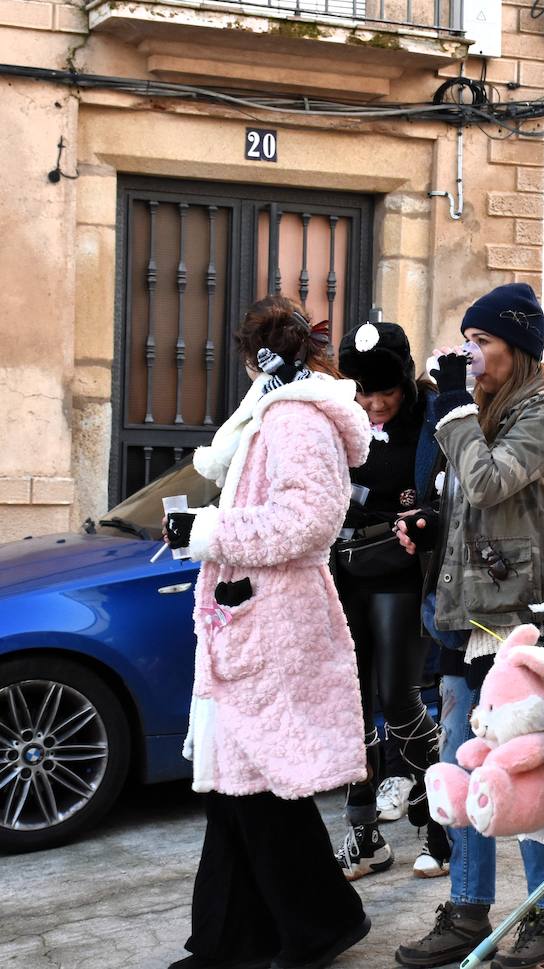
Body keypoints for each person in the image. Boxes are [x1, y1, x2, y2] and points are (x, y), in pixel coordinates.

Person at [163, 296, 372, 969]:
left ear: (256, 356)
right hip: (252, 615)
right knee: (239, 787)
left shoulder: (295, 417)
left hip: (274, 619)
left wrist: (206, 531)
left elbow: (309, 519)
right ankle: (238, 938)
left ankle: (316, 926)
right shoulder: (275, 412)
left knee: (257, 787)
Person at [393, 283, 544, 969]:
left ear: (519, 348)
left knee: (524, 770)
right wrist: (429, 522)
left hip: (519, 618)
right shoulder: (481, 409)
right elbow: (466, 502)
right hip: (464, 614)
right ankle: (467, 910)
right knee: (460, 762)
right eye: (467, 341)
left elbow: (490, 481)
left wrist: (451, 408)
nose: (470, 354)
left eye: (483, 342)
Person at [332, 319, 450, 881]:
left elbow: (450, 496)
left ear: (405, 382)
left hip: (403, 571)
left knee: (397, 700)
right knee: (350, 705)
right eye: (364, 392)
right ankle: (364, 837)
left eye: (386, 392)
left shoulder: (431, 418)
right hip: (345, 568)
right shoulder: (339, 414)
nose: (375, 404)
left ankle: (440, 825)